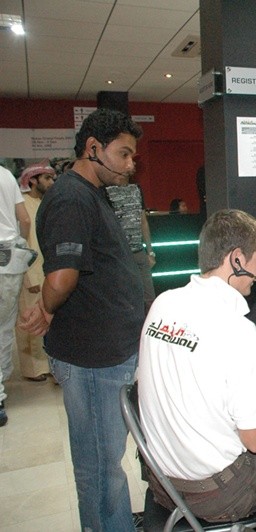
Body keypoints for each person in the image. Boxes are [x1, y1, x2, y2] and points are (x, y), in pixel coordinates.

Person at [138, 209, 256, 529]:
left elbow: (198, 359)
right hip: (213, 495)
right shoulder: (235, 328)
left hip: (162, 482)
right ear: (237, 259)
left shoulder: (163, 304)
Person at [18, 108, 145, 531]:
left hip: (109, 353)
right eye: (123, 154)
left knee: (108, 460)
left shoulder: (92, 194)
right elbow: (62, 276)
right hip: (92, 359)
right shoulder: (71, 198)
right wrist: (46, 309)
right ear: (92, 148)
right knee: (99, 465)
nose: (131, 164)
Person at [16, 162, 56, 382]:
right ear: (32, 180)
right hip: (29, 271)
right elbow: (23, 245)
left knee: (47, 319)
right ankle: (33, 369)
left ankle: (48, 365)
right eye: (47, 178)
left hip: (48, 270)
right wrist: (29, 277)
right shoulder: (21, 205)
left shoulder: (44, 203)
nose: (51, 182)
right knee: (30, 319)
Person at [0, 164, 32, 426]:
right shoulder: (5, 175)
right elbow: (25, 219)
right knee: (3, 329)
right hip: (7, 261)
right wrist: (22, 246)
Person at [106, 177, 157, 311]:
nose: (130, 167)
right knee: (125, 300)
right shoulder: (106, 190)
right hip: (119, 254)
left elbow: (143, 221)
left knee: (149, 299)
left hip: (139, 251)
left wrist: (150, 252)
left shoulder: (136, 189)